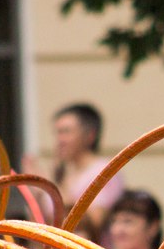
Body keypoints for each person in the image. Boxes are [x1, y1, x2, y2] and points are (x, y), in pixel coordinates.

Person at [23, 102, 125, 240]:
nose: (59, 140)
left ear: (90, 135)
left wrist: (51, 185)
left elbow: (93, 224)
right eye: (57, 133)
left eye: (66, 132)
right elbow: (38, 228)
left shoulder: (104, 172)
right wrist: (34, 191)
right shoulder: (62, 172)